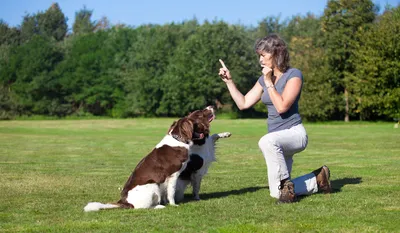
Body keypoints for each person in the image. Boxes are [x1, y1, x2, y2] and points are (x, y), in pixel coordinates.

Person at [218, 34, 331, 203]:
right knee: (276, 194)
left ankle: (287, 185)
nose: (260, 60)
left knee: (266, 141)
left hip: (294, 134)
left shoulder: (294, 75)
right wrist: (229, 82)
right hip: (276, 141)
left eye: (263, 55)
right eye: (259, 56)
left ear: (276, 53)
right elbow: (243, 103)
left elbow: (282, 106)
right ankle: (318, 178)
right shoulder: (263, 80)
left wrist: (269, 82)